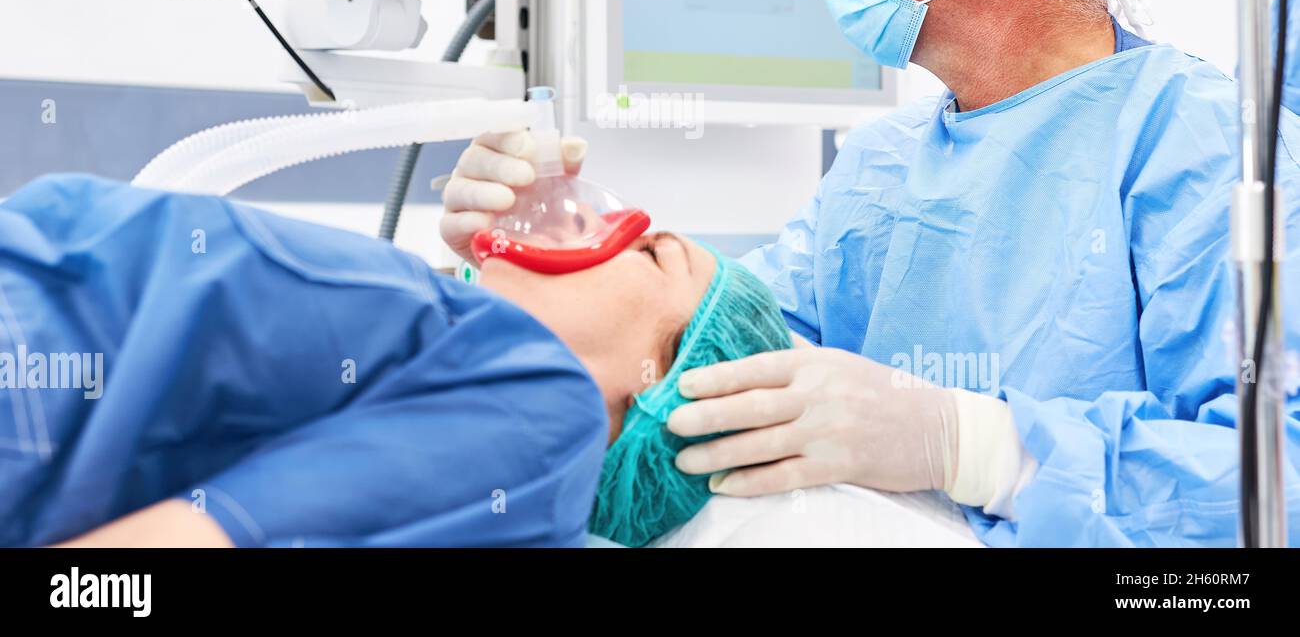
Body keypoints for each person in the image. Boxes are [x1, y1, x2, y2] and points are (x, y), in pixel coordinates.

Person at [440, 0, 1300, 546]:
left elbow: (1280, 479)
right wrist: (521, 248)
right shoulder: (881, 170)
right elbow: (714, 345)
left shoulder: (1202, 147)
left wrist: (979, 449)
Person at [0, 173, 788, 547]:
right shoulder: (458, 341)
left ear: (658, 393)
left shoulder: (551, 411)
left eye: (651, 252)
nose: (597, 215)